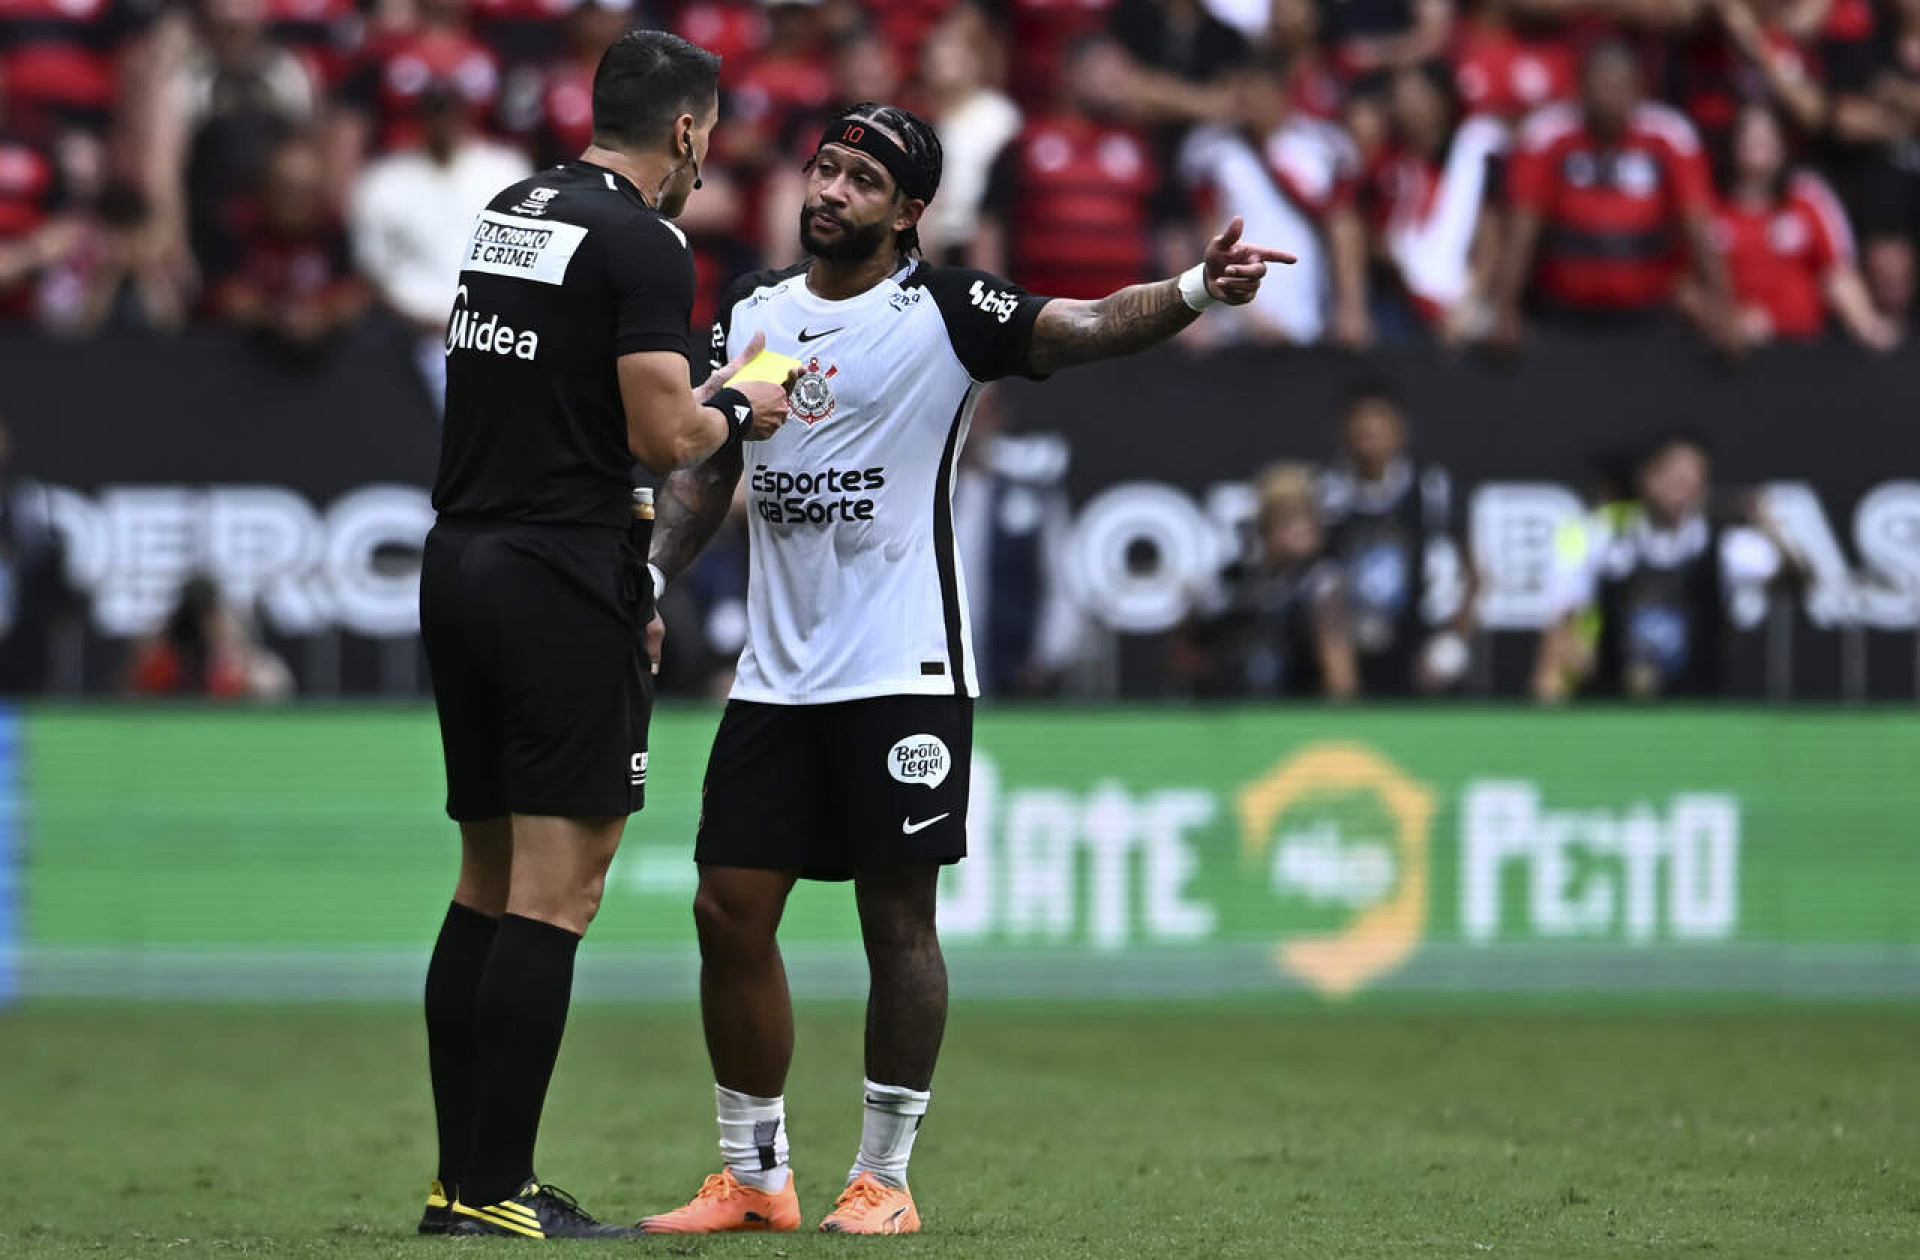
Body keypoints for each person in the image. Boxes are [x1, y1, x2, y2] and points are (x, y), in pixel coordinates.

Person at [637, 99, 1291, 1236]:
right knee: (725, 910)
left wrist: (1192, 289)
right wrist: (647, 578)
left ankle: (884, 1178)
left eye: (861, 180)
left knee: (899, 925)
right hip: (776, 676)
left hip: (904, 667)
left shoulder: (945, 310)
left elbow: (1087, 326)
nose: (831, 190)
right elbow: (704, 473)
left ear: (909, 213)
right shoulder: (754, 310)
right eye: (826, 168)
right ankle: (755, 1175)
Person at [413, 28, 790, 1240]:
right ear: (685, 130)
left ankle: (460, 1183)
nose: (706, 158)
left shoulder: (511, 208)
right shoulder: (643, 238)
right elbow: (663, 435)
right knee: (558, 893)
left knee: (484, 880)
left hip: (461, 558)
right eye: (710, 135)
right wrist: (741, 397)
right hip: (554, 571)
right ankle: (500, 1186)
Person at [1491, 40, 1739, 352]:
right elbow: (1521, 231)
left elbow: (1699, 228)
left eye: (1619, 84)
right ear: (1580, 87)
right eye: (1600, 83)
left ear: (1638, 89)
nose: (1609, 95)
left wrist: (1724, 309)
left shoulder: (1670, 136)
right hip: (1562, 314)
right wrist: (1505, 309)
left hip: (1650, 315)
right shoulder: (1548, 135)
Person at [1532, 430, 1798, 700]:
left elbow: (1795, 581)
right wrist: (1554, 677)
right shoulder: (1603, 538)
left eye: (1691, 479)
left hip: (1700, 707)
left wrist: (1770, 527)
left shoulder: (1726, 545)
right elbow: (1562, 623)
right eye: (1672, 477)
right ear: (1646, 478)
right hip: (1614, 706)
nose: (1680, 488)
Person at [1687, 102, 1897, 349]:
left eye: (1768, 134)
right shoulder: (1708, 206)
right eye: (1750, 134)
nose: (1760, 142)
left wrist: (1867, 324)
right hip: (1728, 356)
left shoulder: (1807, 196)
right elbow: (1684, 283)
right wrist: (1725, 322)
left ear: (1783, 145)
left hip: (1800, 354)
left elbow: (1838, 272)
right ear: (1733, 143)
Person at [1318, 378, 1478, 697]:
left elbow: (1473, 573)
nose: (1368, 431)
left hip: (1422, 647)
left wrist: (1453, 640)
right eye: (1359, 421)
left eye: (1379, 420)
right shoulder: (1327, 496)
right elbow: (1318, 582)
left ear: (1400, 429)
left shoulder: (1432, 490)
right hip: (1352, 652)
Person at [1176, 462, 1357, 699]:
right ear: (1263, 525)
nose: (1299, 529)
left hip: (1299, 713)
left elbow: (1339, 673)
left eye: (1305, 517)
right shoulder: (1228, 581)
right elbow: (1185, 655)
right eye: (1286, 518)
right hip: (1231, 716)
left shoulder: (1322, 582)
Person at [124, 573, 294, 700]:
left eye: (205, 614)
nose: (198, 624)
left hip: (226, 715)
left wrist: (236, 652)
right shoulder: (162, 650)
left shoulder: (232, 649)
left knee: (261, 677)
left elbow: (273, 686)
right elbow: (129, 693)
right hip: (168, 714)